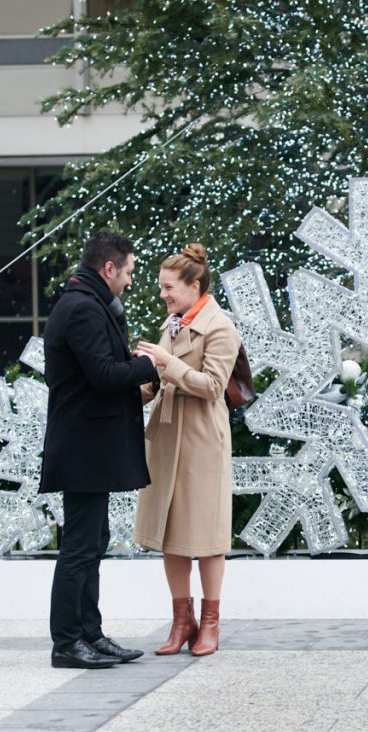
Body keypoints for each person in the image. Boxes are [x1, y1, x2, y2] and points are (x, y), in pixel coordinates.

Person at [40, 231, 159, 669]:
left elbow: (103, 368)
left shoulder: (88, 304)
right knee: (80, 548)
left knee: (93, 543)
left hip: (89, 447)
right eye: (128, 271)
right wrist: (151, 363)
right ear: (109, 268)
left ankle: (90, 633)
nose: (129, 280)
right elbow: (105, 375)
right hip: (83, 449)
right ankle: (67, 642)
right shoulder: (81, 308)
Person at [134, 243, 241, 657]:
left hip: (200, 441)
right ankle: (182, 622)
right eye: (161, 288)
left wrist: (167, 362)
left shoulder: (220, 327)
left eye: (168, 287)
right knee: (171, 533)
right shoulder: (173, 323)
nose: (162, 294)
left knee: (207, 537)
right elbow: (160, 379)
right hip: (166, 438)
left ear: (194, 285)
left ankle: (210, 623)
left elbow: (214, 386)